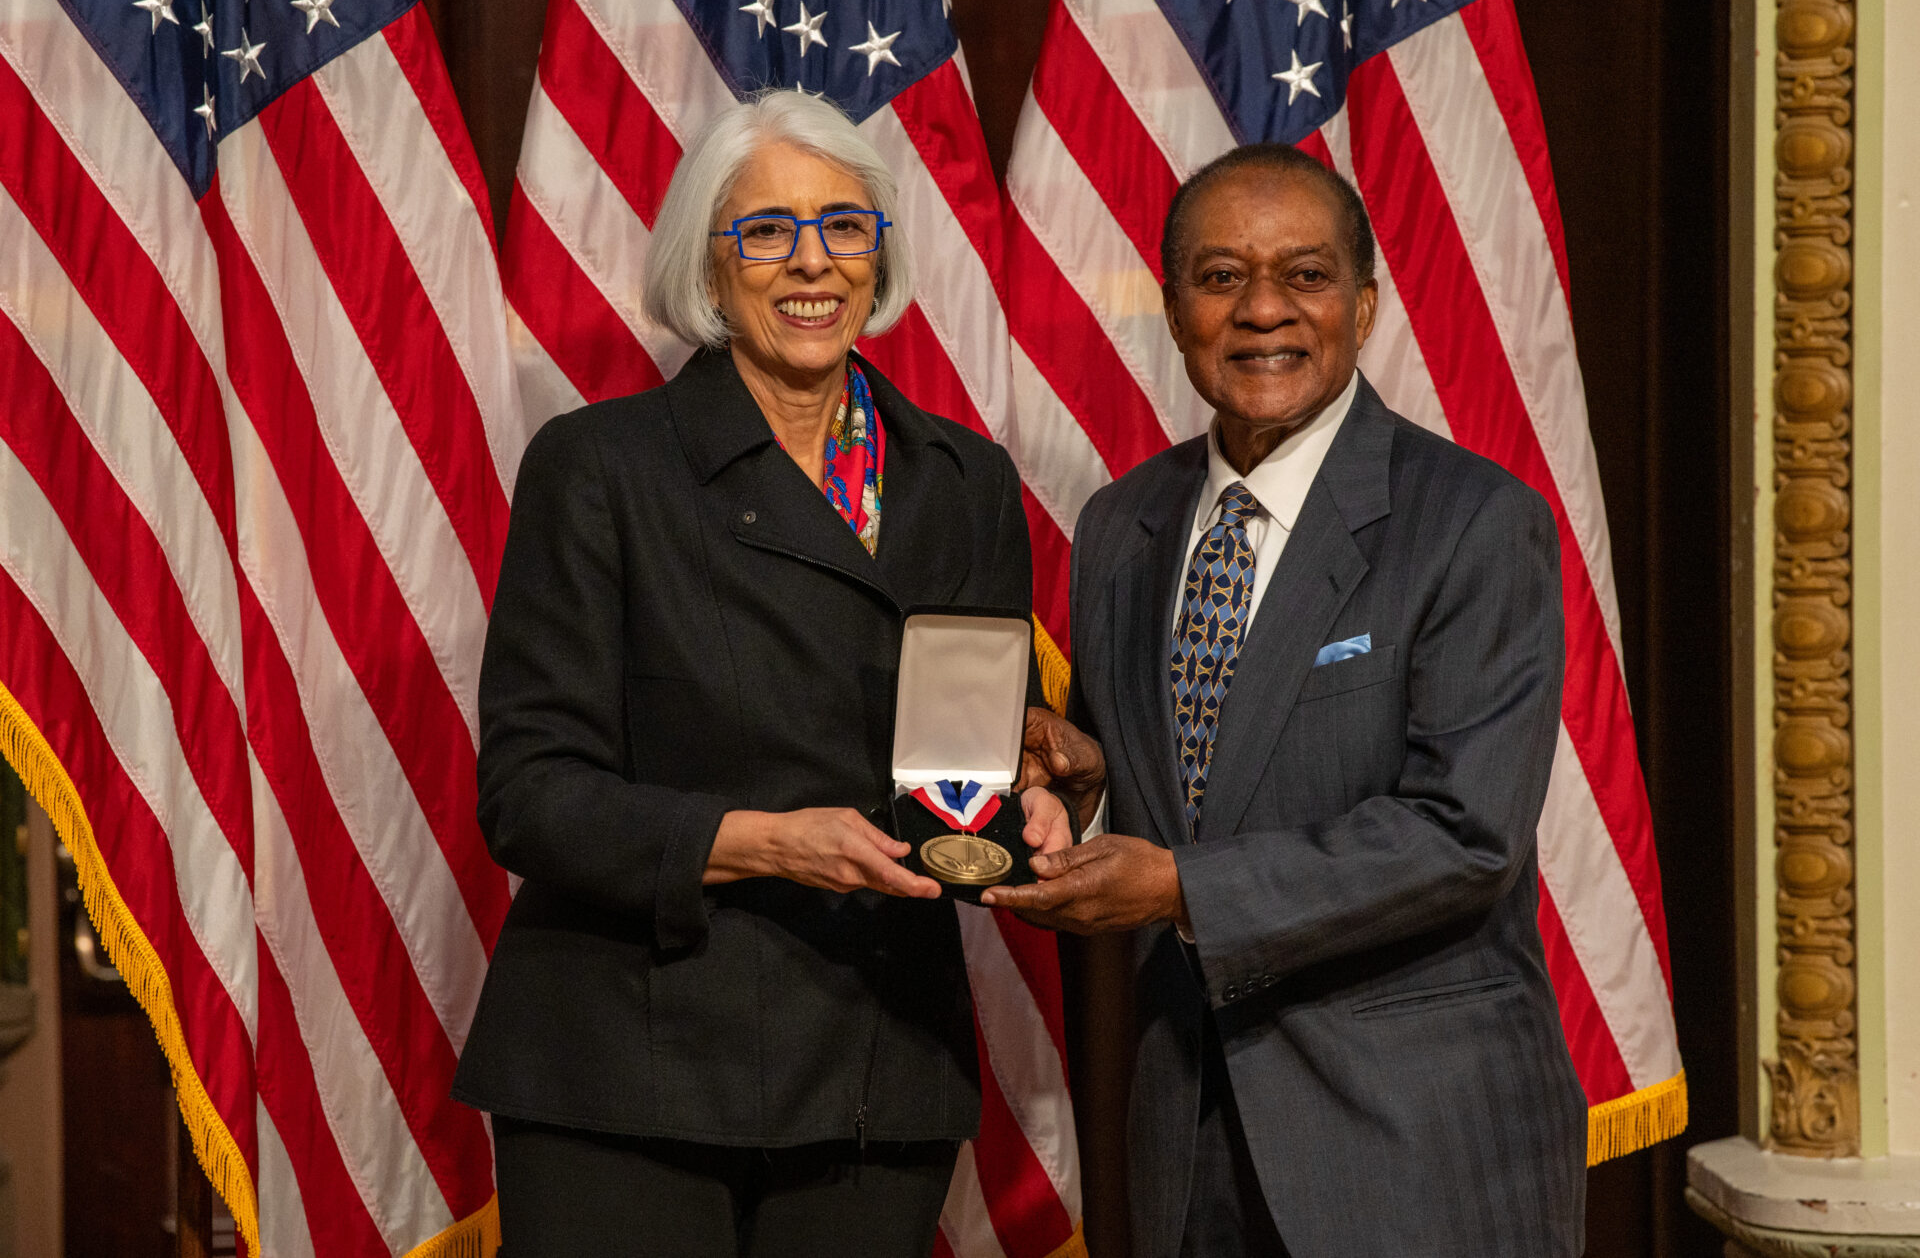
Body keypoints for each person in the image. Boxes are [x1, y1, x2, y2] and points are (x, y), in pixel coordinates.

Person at [452, 90, 1071, 1257]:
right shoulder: (599, 469)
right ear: (708, 263)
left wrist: (1032, 803)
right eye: (768, 231)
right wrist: (766, 840)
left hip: (877, 1066)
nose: (813, 263)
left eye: (845, 227)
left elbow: (973, 747)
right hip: (630, 1067)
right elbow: (530, 793)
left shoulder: (966, 482)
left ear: (878, 257)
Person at [986, 144, 1588, 1257]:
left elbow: (1463, 835)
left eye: (1305, 275)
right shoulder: (1124, 527)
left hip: (1409, 1142)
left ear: (1364, 307)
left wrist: (1177, 886)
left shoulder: (1472, 522)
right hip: (1187, 1135)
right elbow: (1220, 768)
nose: (1263, 309)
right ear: (1172, 312)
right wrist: (1102, 772)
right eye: (1220, 277)